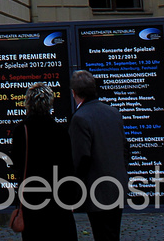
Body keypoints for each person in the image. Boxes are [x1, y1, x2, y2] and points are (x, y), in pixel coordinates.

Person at [67, 70, 129, 241]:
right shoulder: (113, 112)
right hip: (117, 186)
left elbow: (81, 159)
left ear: (74, 93)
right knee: (112, 234)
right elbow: (125, 150)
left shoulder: (80, 118)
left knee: (102, 235)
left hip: (97, 191)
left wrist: (74, 193)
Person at [11, 83, 77, 240]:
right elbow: (68, 167)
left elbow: (17, 163)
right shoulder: (60, 131)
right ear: (50, 104)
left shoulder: (22, 130)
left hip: (32, 198)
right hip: (58, 198)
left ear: (28, 103)